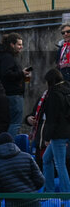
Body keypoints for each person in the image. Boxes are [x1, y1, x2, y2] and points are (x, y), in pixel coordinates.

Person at [35, 68, 70, 198]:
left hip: (57, 134)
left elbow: (52, 118)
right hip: (66, 130)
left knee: (60, 164)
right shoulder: (67, 89)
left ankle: (66, 195)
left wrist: (47, 137)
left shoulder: (54, 94)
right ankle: (49, 190)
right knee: (46, 159)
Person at [0, 33, 29, 136]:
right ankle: (10, 146)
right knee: (15, 123)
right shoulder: (8, 58)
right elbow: (7, 74)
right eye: (19, 45)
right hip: (14, 94)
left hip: (10, 93)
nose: (21, 47)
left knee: (10, 123)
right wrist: (21, 74)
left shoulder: (4, 56)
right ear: (11, 44)